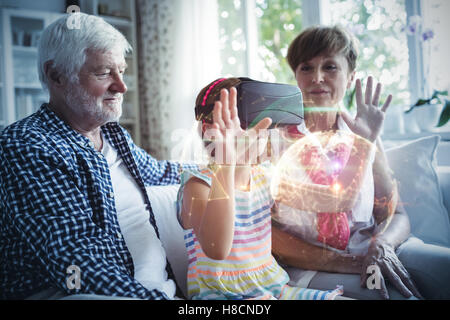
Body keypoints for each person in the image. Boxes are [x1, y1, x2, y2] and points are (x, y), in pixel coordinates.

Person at [0, 13, 196, 300]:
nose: (121, 86)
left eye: (121, 70)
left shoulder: (114, 136)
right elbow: (79, 264)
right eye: (104, 73)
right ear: (56, 75)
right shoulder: (26, 146)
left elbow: (162, 172)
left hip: (158, 292)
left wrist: (230, 164)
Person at [272, 25, 450, 300]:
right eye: (306, 68)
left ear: (350, 75)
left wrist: (382, 247)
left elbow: (396, 214)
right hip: (313, 265)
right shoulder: (276, 139)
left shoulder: (363, 132)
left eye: (330, 67)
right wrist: (352, 264)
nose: (317, 77)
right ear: (296, 77)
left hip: (378, 248)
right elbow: (268, 233)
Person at [176, 77, 349, 300]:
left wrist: (365, 142)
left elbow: (335, 201)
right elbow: (216, 248)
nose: (259, 136)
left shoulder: (265, 176)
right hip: (222, 296)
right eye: (246, 127)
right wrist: (227, 164)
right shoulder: (197, 185)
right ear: (210, 131)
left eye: (263, 128)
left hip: (275, 289)